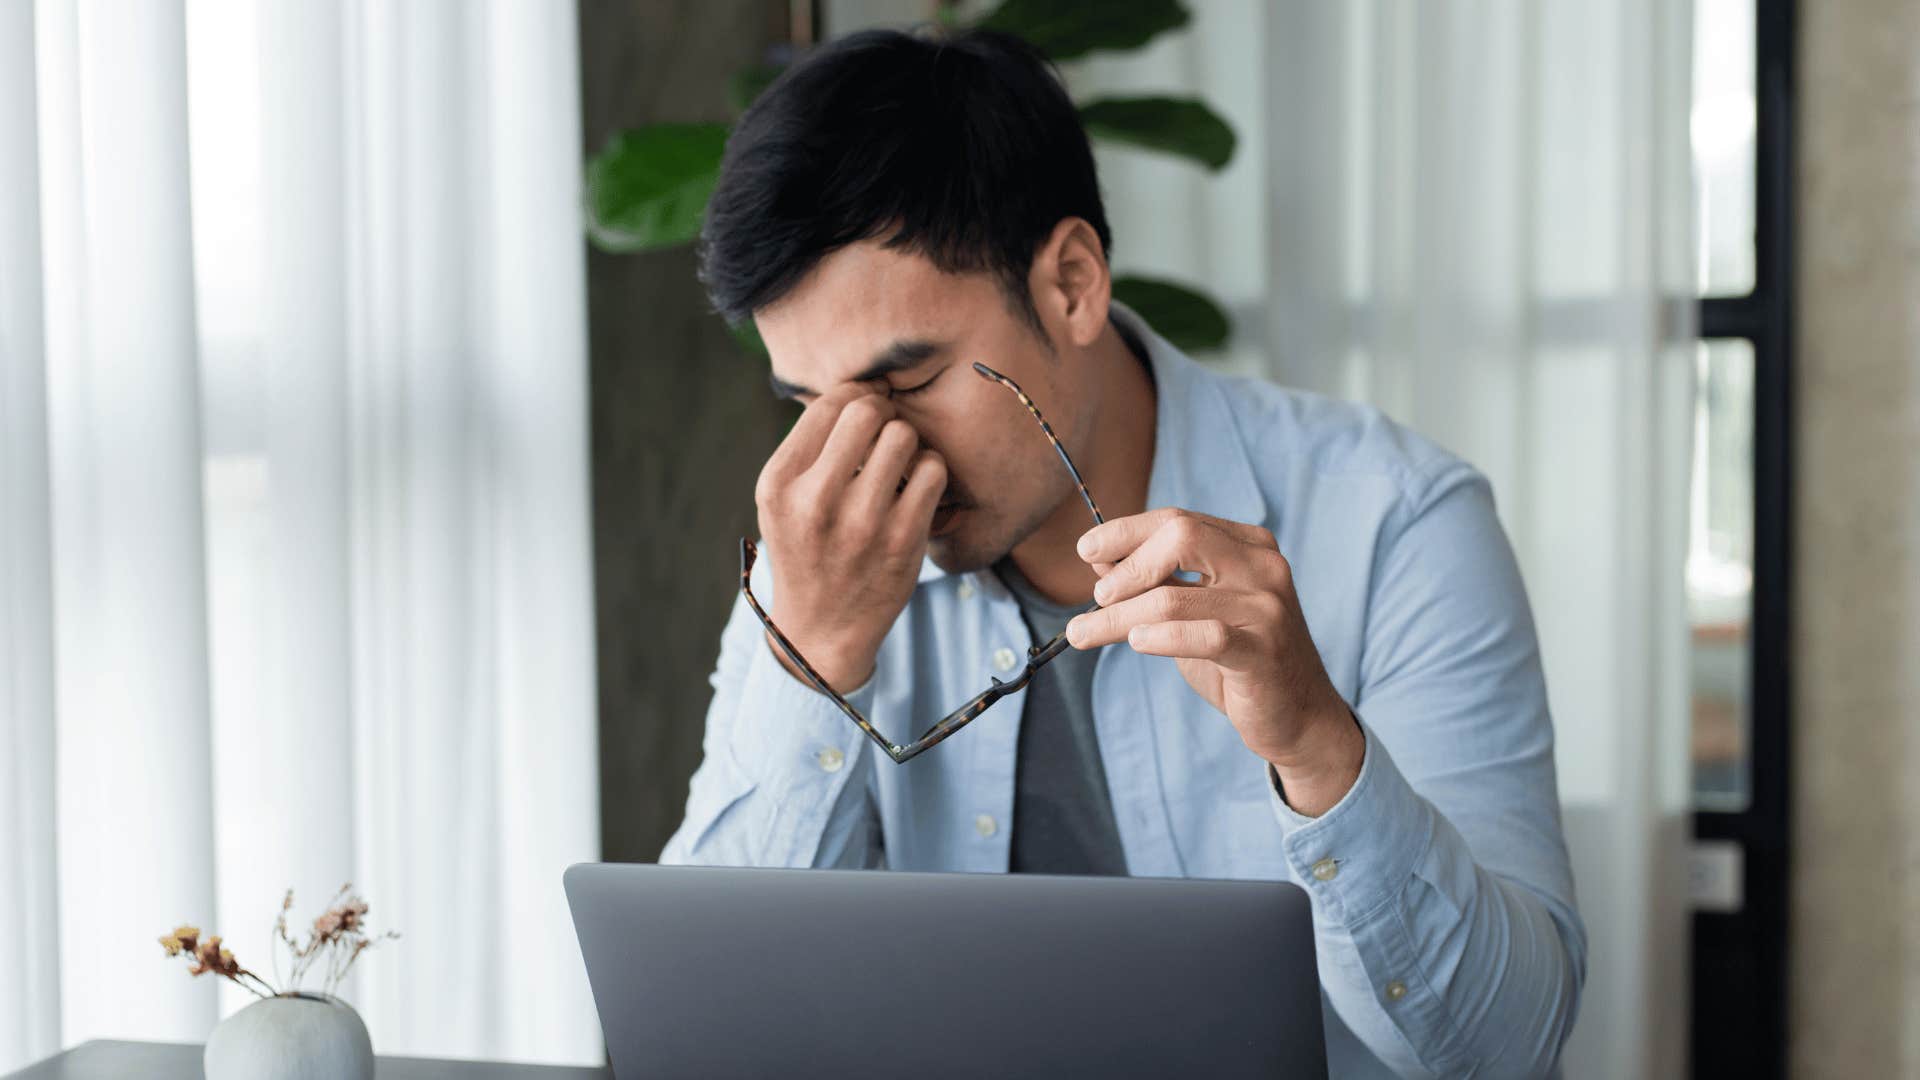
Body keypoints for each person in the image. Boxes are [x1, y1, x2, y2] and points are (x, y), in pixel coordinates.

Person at [660, 26, 1585, 1078]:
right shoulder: (821, 562)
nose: (871, 453)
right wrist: (812, 663)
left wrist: (1320, 751)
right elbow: (709, 1036)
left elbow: (1510, 1052)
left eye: (908, 382)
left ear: (1071, 284)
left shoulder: (1398, 527)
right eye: (811, 404)